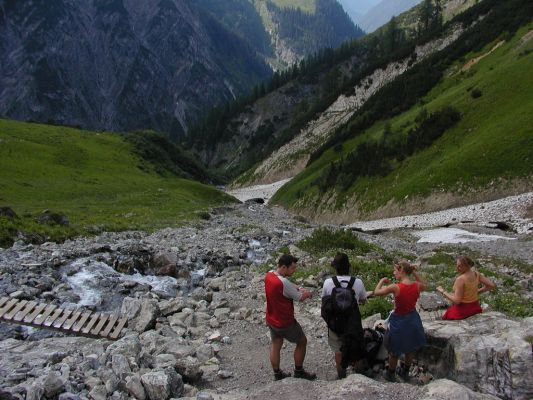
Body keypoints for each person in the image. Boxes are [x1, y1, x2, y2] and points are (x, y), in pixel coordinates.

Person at [264, 253, 317, 381]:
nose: (294, 270)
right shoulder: (283, 283)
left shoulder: (269, 275)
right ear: (283, 267)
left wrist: (298, 287)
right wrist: (308, 293)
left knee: (276, 344)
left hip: (271, 318)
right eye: (292, 268)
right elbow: (300, 297)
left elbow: (287, 283)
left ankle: (277, 374)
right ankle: (299, 371)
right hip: (285, 322)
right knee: (302, 341)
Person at [373, 260, 427, 382]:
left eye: (395, 270)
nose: (394, 273)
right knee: (410, 348)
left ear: (401, 270)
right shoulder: (416, 286)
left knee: (394, 350)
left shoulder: (395, 287)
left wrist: (382, 281)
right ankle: (405, 372)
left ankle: (390, 374)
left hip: (399, 321)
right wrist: (414, 273)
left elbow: (377, 292)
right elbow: (424, 284)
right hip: (413, 319)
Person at [321, 252, 367, 379]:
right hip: (353, 323)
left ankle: (341, 375)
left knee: (338, 350)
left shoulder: (328, 282)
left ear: (335, 268)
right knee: (356, 346)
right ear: (349, 267)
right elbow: (363, 299)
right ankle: (359, 376)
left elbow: (324, 300)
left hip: (335, 323)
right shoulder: (357, 282)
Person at [437, 256, 496, 320]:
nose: (457, 268)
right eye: (457, 265)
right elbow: (491, 285)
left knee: (447, 316)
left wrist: (443, 291)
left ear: (467, 266)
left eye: (460, 266)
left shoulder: (460, 279)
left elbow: (457, 301)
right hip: (476, 308)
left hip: (462, 311)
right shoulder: (476, 274)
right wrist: (477, 292)